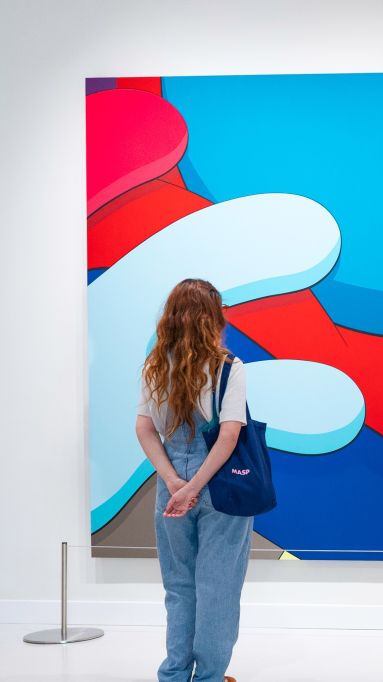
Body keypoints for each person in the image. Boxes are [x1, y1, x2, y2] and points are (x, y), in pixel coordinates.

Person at [135, 278, 251, 682]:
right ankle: (209, 677)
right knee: (219, 585)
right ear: (213, 318)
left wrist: (174, 482)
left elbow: (145, 429)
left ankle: (174, 673)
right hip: (218, 486)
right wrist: (195, 487)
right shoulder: (228, 368)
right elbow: (229, 436)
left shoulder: (155, 366)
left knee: (178, 583)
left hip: (170, 484)